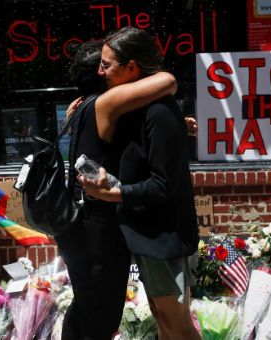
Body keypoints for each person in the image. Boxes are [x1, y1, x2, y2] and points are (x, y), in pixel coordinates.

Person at [79, 27, 201, 340]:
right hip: (145, 234)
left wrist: (114, 194)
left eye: (107, 65)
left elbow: (163, 186)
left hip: (164, 236)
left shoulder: (159, 111)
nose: (100, 71)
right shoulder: (135, 109)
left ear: (132, 67)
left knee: (178, 326)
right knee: (162, 320)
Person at [55, 40, 179, 340]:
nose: (106, 70)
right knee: (100, 317)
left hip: (80, 227)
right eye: (106, 65)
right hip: (95, 230)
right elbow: (168, 81)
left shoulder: (86, 105)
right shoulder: (105, 103)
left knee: (88, 309)